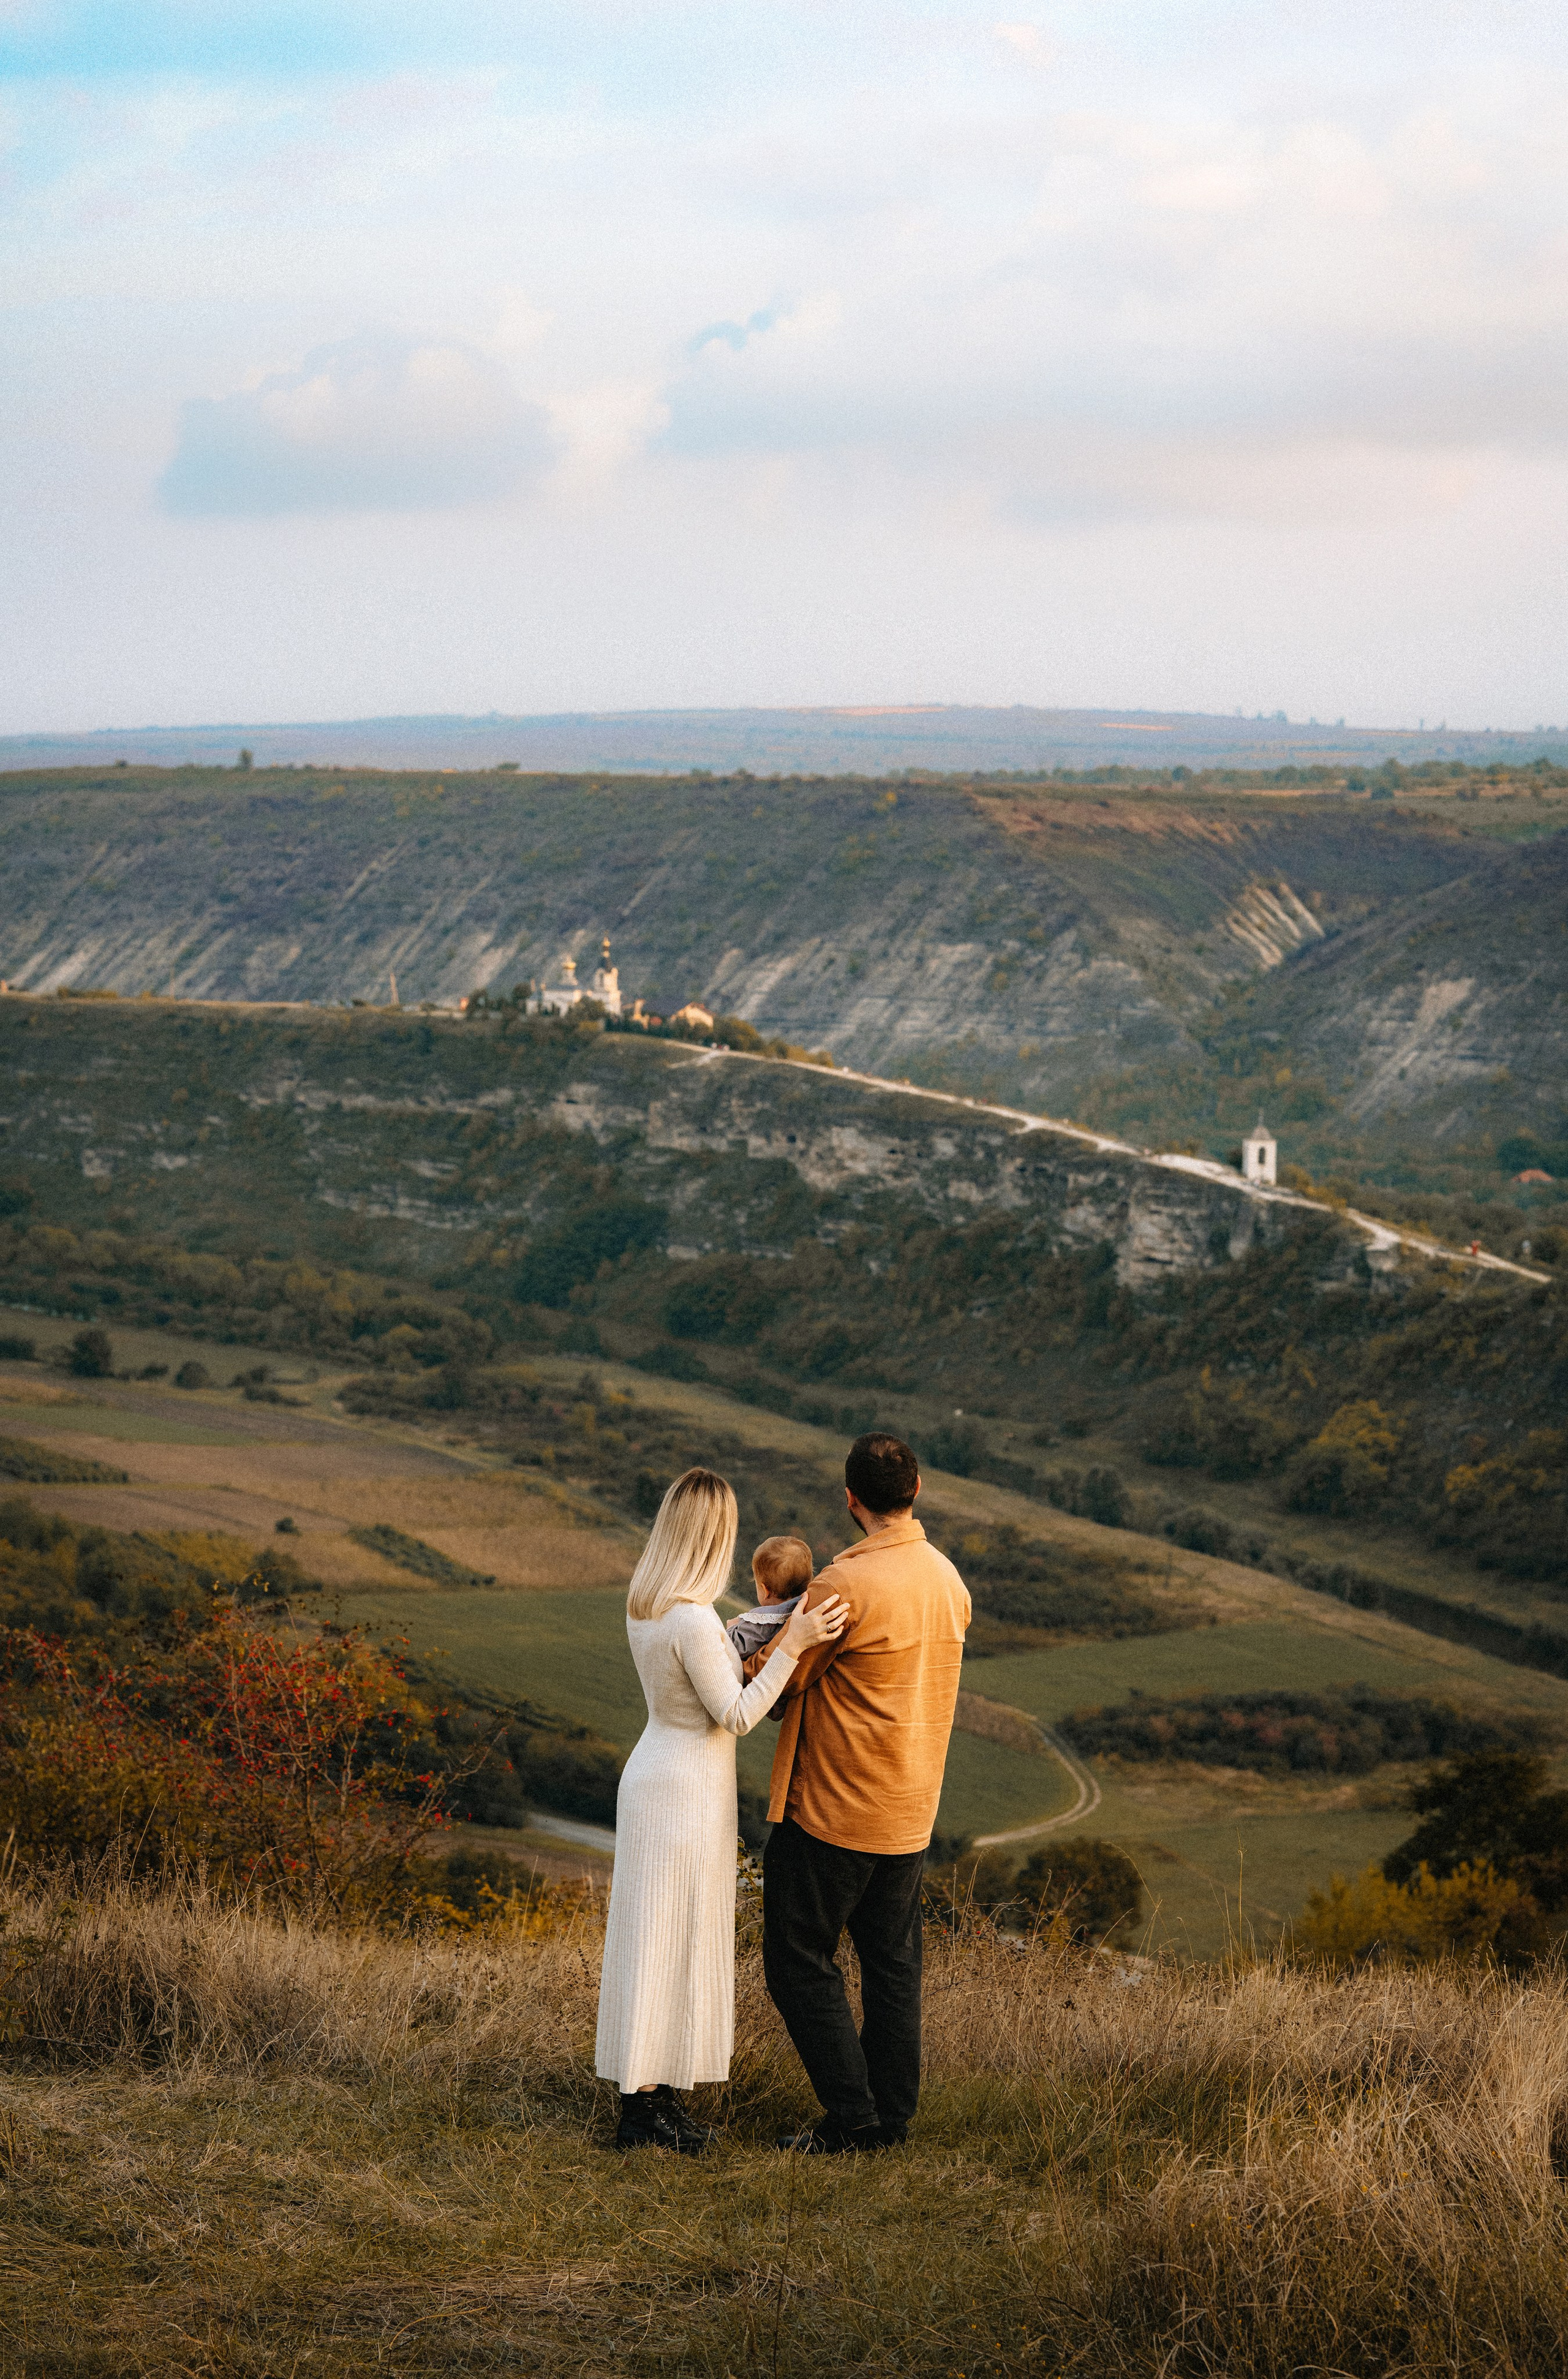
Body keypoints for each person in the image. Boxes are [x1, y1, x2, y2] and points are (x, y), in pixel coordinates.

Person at [595, 1467, 846, 2154]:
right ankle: (644, 2116)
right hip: (683, 1787)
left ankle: (654, 2102)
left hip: (660, 1773)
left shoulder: (647, 1602)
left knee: (659, 1938)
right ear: (715, 1535)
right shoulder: (690, 1616)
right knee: (668, 1938)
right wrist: (792, 1644)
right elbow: (736, 1714)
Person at [753, 1431, 970, 2155]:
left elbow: (780, 1685)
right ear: (916, 1491)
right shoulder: (949, 1582)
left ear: (850, 1499)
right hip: (909, 1811)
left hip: (833, 1809)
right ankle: (892, 2117)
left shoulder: (845, 1584)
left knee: (795, 1959)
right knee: (890, 1968)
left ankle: (854, 2118)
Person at [725, 1533, 814, 1661]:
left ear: (766, 1591)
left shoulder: (762, 1622)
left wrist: (732, 1627)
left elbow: (733, 1647)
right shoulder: (804, 1612)